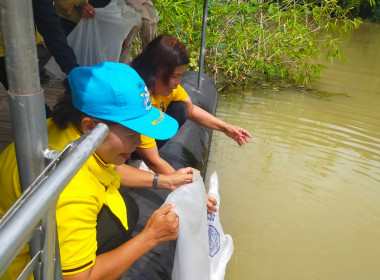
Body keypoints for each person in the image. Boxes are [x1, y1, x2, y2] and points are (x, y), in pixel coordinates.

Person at [0, 62, 197, 279]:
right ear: (90, 128)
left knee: (126, 210)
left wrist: (164, 180)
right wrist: (151, 237)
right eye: (131, 135)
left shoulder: (63, 132)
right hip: (30, 272)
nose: (139, 143)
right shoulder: (70, 188)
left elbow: (108, 169)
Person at [130, 35, 252, 176]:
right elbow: (153, 161)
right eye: (175, 76)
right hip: (126, 142)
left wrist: (226, 128)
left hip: (145, 134)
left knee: (181, 108)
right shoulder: (138, 99)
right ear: (156, 71)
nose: (178, 82)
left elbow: (191, 109)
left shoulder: (166, 87)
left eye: (181, 75)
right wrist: (188, 186)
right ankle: (135, 158)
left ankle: (143, 154)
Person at [0, 0, 79, 116]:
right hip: (12, 49)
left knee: (36, 110)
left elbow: (50, 25)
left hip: (15, 51)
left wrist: (72, 70)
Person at [119, 0, 159, 65]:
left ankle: (122, 69)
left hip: (131, 12)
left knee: (125, 46)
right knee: (150, 50)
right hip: (149, 13)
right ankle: (149, 69)